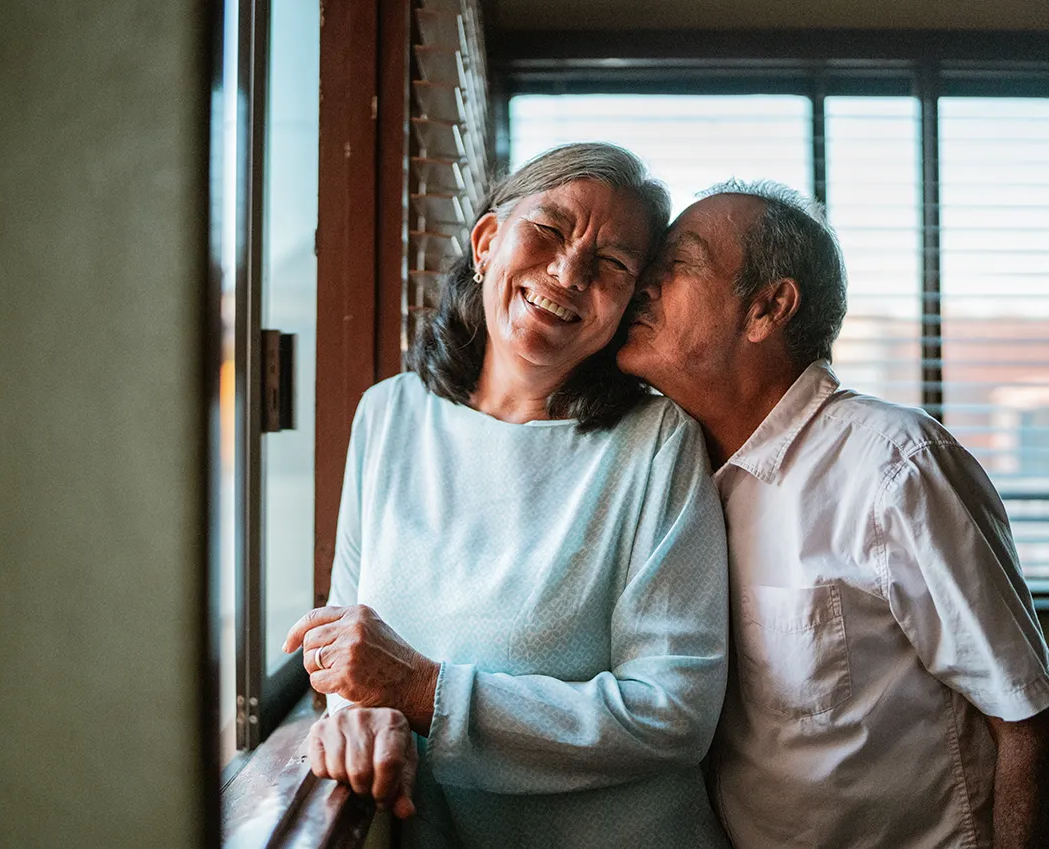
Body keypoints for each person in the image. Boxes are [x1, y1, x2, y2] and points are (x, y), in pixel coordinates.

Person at [281, 143, 732, 848]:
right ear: (488, 241)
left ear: (628, 304)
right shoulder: (387, 415)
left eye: (612, 263)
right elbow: (350, 645)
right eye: (549, 231)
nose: (569, 270)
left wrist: (426, 693)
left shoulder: (657, 440)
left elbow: (674, 712)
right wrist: (359, 714)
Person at [617, 178, 1049, 849]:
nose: (641, 288)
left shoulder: (896, 466)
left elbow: (1029, 722)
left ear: (768, 308)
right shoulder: (669, 474)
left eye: (675, 267)